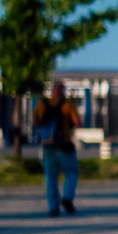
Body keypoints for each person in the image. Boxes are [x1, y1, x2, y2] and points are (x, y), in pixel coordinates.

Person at [28, 81, 80, 215]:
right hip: (64, 145)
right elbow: (77, 123)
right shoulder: (67, 105)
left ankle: (53, 207)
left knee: (50, 176)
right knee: (71, 172)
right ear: (63, 91)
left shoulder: (42, 104)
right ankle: (67, 197)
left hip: (47, 145)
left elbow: (35, 122)